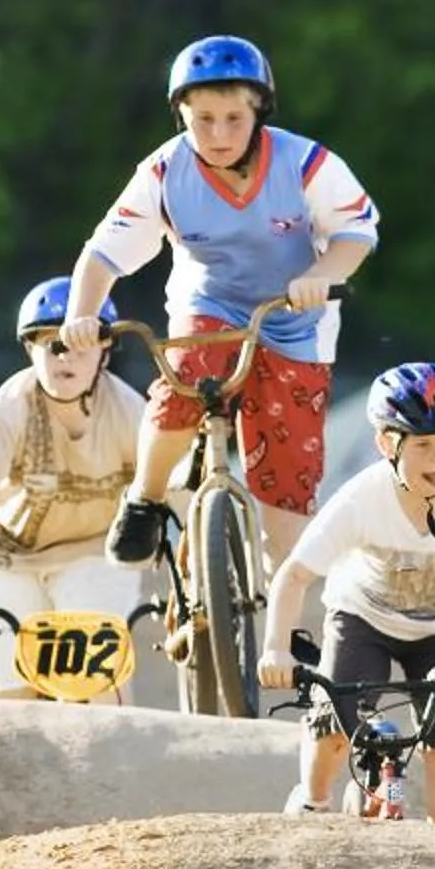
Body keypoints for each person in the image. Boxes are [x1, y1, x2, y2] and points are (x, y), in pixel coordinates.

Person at [63, 35, 379, 577]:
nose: (218, 134)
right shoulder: (164, 174)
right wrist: (81, 315)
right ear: (181, 114)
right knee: (186, 375)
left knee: (287, 488)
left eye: (234, 118)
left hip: (295, 319)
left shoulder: (305, 163)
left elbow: (357, 231)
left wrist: (320, 275)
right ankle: (146, 498)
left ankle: (288, 630)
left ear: (260, 110)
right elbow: (103, 255)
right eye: (202, 119)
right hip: (209, 307)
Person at [255, 363, 435, 825]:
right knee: (336, 723)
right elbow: (294, 574)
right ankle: (313, 800)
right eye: (422, 446)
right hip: (364, 620)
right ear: (386, 445)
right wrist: (276, 648)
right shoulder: (362, 498)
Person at [0, 280, 150, 700]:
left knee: (94, 692)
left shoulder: (130, 411)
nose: (67, 356)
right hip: (1, 554)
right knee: (10, 701)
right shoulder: (10, 408)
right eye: (53, 345)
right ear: (30, 350)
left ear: (105, 351)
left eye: (82, 343)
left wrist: (190, 580)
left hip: (92, 552)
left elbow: (174, 489)